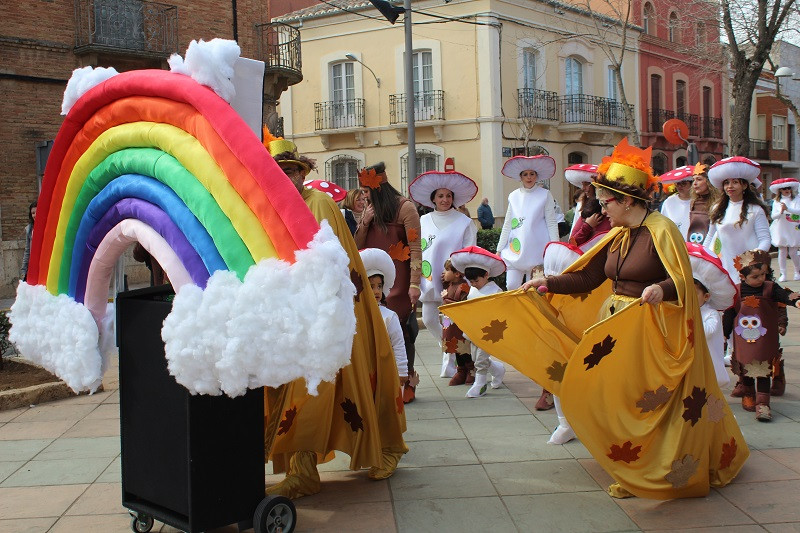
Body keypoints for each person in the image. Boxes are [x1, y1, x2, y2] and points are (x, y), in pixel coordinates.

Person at [441, 138, 748, 499]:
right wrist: (546, 283)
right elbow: (589, 277)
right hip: (615, 327)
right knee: (611, 396)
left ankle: (653, 466)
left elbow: (681, 281)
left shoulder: (661, 231)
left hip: (650, 330)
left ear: (629, 200)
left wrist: (658, 291)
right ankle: (629, 459)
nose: (601, 209)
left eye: (606, 202)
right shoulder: (619, 235)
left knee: (643, 401)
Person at [263, 135, 407, 498]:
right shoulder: (269, 206)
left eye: (292, 170)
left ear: (301, 173)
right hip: (294, 315)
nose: (287, 177)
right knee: (297, 390)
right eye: (278, 172)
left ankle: (386, 448)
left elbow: (330, 263)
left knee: (345, 382)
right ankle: (303, 469)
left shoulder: (320, 204)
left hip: (331, 313)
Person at [355, 162, 422, 403]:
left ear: (379, 188)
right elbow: (357, 245)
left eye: (366, 190)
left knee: (402, 329)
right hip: (374, 277)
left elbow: (415, 247)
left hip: (400, 279)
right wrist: (364, 222)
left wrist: (415, 284)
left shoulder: (406, 208)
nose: (363, 196)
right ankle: (382, 381)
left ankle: (408, 381)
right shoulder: (368, 210)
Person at [408, 170, 478, 378]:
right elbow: (416, 248)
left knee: (450, 324)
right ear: (433, 199)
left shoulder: (464, 222)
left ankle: (453, 364)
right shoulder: (423, 220)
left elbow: (470, 251)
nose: (445, 200)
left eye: (448, 196)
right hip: (429, 281)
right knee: (429, 320)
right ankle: (455, 353)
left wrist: (456, 274)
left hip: (454, 285)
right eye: (440, 196)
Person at [723, 250, 800, 421]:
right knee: (746, 366)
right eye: (756, 276)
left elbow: (784, 296)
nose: (761, 279)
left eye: (764, 274)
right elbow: (729, 314)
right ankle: (749, 392)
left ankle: (763, 403)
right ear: (743, 277)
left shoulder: (770, 288)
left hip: (765, 340)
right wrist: (724, 333)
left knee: (763, 367)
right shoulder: (737, 291)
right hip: (744, 340)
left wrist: (795, 300)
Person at [449, 246, 506, 398]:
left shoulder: (495, 291)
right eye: (471, 281)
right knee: (476, 357)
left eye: (476, 280)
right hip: (473, 330)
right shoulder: (473, 290)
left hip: (488, 331)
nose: (473, 284)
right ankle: (498, 370)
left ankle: (480, 384)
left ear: (486, 275)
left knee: (480, 359)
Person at [496, 155, 559, 290]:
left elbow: (551, 222)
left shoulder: (545, 194)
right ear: (521, 177)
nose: (529, 177)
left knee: (535, 290)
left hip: (537, 249)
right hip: (515, 250)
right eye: (525, 174)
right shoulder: (513, 196)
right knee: (512, 285)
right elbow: (508, 223)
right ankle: (516, 311)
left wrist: (555, 247)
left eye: (532, 174)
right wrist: (499, 249)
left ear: (537, 176)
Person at [704, 156, 770, 284]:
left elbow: (765, 239)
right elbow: (710, 235)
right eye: (727, 183)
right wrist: (704, 255)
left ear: (744, 185)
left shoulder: (755, 210)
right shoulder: (717, 208)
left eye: (735, 182)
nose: (730, 186)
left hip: (750, 268)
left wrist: (753, 258)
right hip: (724, 264)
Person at [686, 243, 736, 387]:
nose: (689, 298)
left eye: (694, 294)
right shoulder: (683, 310)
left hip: (706, 359)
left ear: (706, 296)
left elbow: (707, 332)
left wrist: (688, 320)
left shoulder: (711, 314)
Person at [360, 248, 410, 388]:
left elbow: (398, 344)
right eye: (371, 287)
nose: (376, 291)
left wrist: (402, 371)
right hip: (363, 372)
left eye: (379, 286)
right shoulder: (354, 316)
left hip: (386, 370)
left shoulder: (389, 316)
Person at [440, 258, 474, 386]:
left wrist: (447, 302)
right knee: (453, 346)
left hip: (459, 324)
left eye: (447, 270)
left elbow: (464, 305)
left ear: (457, 274)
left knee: (463, 347)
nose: (444, 272)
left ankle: (470, 369)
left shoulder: (463, 287)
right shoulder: (450, 285)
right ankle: (461, 370)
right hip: (449, 322)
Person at [768, 178, 800, 281]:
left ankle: (797, 272)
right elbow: (773, 216)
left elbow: (798, 211)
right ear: (780, 190)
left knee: (793, 252)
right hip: (781, 227)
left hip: (793, 227)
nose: (787, 190)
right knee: (782, 251)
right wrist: (781, 212)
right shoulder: (777, 202)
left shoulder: (797, 199)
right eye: (784, 188)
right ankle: (783, 273)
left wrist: (788, 209)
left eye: (789, 188)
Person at [687, 163, 718, 244]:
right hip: (693, 245)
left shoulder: (717, 203)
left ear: (709, 181)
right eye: (693, 180)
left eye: (699, 179)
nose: (695, 183)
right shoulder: (693, 202)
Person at [659, 167, 694, 239]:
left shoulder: (698, 201)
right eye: (678, 183)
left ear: (692, 184)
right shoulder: (668, 202)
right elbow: (663, 225)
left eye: (684, 183)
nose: (680, 186)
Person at [564, 163, 598, 235]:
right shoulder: (581, 204)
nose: (583, 188)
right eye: (582, 185)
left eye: (586, 185)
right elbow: (575, 231)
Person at [19, 201, 37, 281]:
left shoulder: (47, 228)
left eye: (37, 212)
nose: (35, 215)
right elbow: (27, 251)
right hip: (33, 265)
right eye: (33, 213)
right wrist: (24, 270)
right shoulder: (29, 229)